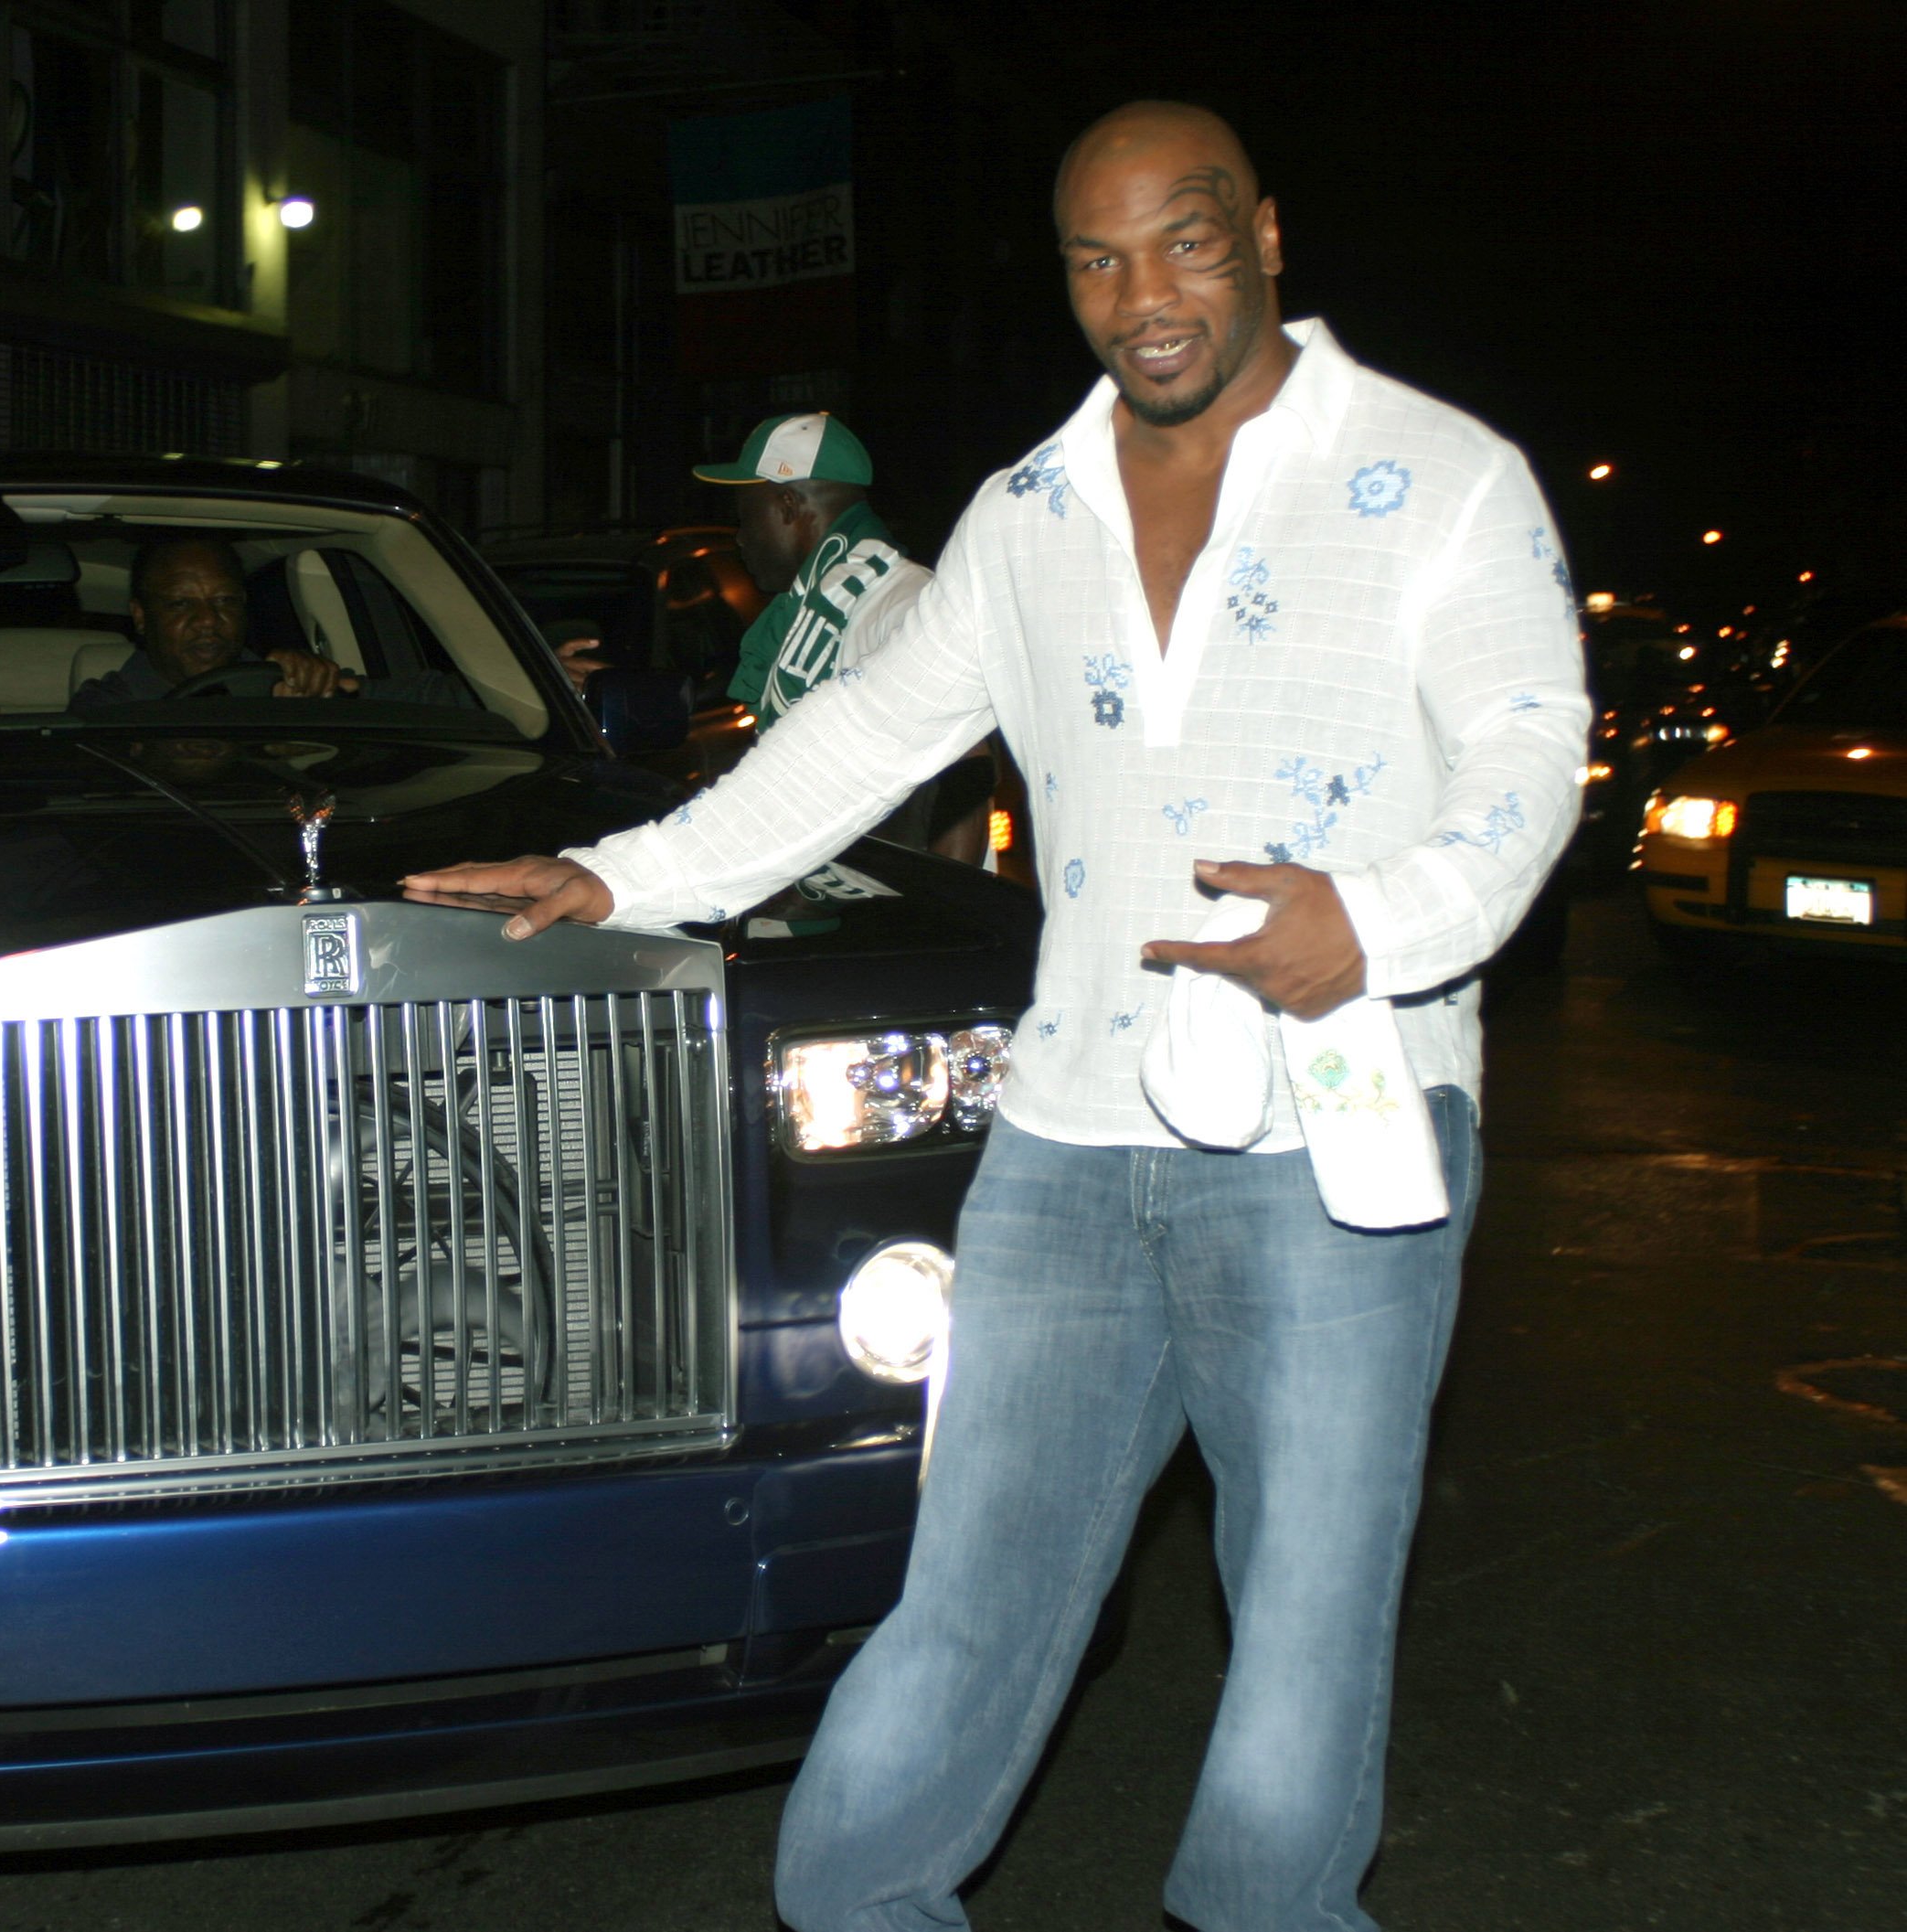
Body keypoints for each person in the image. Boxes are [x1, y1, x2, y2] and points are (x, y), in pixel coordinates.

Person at [405, 100, 1588, 1932]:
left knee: (1303, 1631)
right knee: (966, 1601)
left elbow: (1529, 753)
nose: (1145, 294)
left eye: (1184, 240)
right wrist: (622, 874)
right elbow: (868, 740)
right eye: (1097, 259)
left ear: (1266, 237)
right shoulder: (1031, 512)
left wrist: (1380, 919)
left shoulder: (1440, 476)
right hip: (1065, 1148)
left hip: (1340, 1137)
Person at [701, 411, 929, 731]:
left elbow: (967, 763)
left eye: (746, 518)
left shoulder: (907, 602)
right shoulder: (810, 601)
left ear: (788, 505)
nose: (740, 537)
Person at [69, 537, 356, 708]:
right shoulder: (108, 708)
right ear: (142, 617)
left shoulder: (281, 684)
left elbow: (393, 701)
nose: (207, 620)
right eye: (180, 604)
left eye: (224, 601)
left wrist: (315, 685)